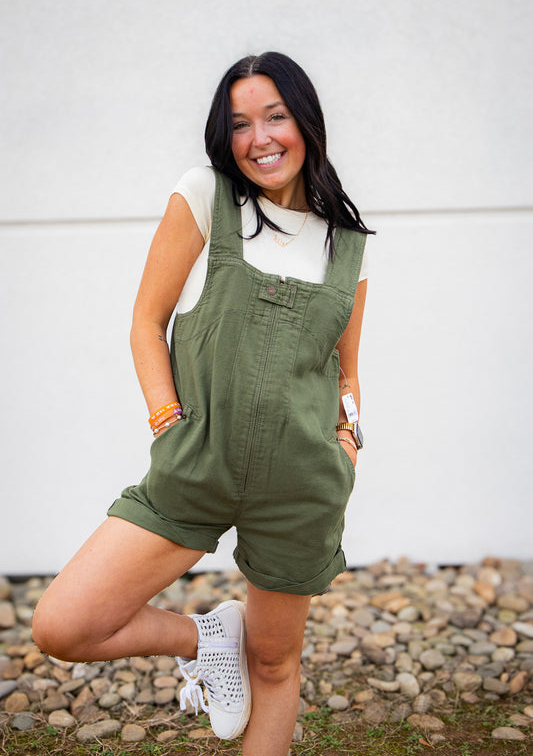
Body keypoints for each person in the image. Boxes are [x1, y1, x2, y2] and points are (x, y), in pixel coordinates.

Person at [32, 51, 373, 756]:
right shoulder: (205, 197)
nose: (260, 138)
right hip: (195, 464)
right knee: (63, 626)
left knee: (276, 664)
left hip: (300, 487)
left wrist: (349, 441)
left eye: (275, 116)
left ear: (305, 121)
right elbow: (144, 322)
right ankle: (209, 635)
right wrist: (166, 421)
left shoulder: (348, 245)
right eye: (241, 124)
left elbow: (346, 369)